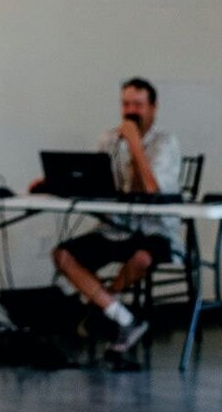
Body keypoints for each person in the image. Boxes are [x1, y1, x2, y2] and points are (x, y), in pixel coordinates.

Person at [50, 77, 183, 354]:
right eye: (126, 104)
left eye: (138, 104)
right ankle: (122, 316)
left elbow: (151, 189)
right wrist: (55, 183)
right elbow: (96, 184)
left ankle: (104, 305)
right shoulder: (110, 139)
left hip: (155, 230)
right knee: (63, 255)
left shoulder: (165, 142)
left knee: (142, 258)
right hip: (115, 228)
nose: (131, 110)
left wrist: (135, 145)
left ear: (153, 108)